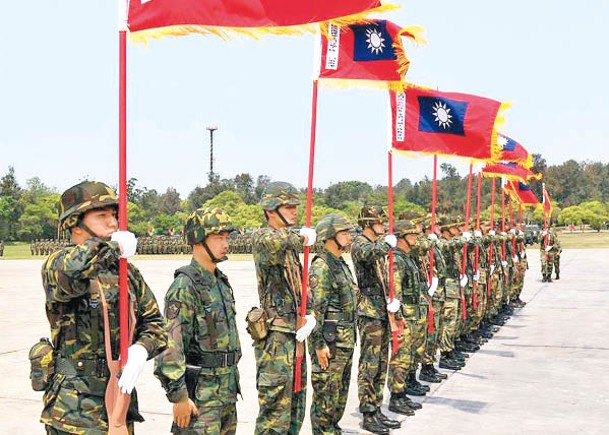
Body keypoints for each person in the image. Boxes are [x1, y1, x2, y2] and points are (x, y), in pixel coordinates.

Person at [40, 181, 167, 434]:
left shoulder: (126, 272)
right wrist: (113, 246)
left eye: (114, 215)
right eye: (102, 215)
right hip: (74, 411)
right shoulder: (57, 265)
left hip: (118, 402)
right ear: (75, 223)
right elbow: (75, 269)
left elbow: (155, 323)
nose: (113, 223)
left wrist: (142, 349)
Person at [154, 207, 241, 434]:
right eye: (218, 237)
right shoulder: (185, 285)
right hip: (201, 397)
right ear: (197, 239)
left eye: (227, 237)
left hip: (226, 393)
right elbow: (170, 346)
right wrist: (179, 396)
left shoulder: (221, 282)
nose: (225, 243)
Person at [252, 181, 317, 435]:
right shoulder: (264, 237)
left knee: (295, 408)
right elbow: (275, 241)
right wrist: (301, 235)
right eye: (287, 206)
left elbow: (298, 288)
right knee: (274, 414)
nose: (294, 211)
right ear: (270, 209)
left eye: (295, 206)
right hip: (276, 339)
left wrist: (309, 315)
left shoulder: (290, 247)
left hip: (295, 333)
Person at [351, 205, 401, 435]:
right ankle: (368, 412)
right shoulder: (360, 243)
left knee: (381, 363)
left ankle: (377, 407)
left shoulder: (377, 245)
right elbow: (366, 253)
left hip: (381, 310)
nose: (383, 226)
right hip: (368, 312)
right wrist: (385, 244)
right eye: (379, 222)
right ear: (369, 223)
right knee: (369, 364)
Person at [308, 214, 358, 434]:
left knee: (339, 392)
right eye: (343, 233)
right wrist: (318, 344)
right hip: (331, 341)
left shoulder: (339, 262)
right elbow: (316, 310)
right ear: (329, 236)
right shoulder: (322, 266)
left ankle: (332, 429)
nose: (348, 236)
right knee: (326, 393)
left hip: (345, 338)